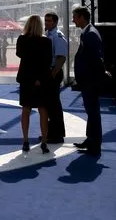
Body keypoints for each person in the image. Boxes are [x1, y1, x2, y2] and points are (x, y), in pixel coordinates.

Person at [72, 6, 106, 156]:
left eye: (75, 17)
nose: (73, 19)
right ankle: (90, 139)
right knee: (91, 112)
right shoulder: (87, 32)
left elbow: (96, 59)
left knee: (93, 113)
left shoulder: (90, 34)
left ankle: (95, 144)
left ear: (82, 18)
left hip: (90, 81)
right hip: (88, 80)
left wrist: (95, 79)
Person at [16, 14, 52, 154]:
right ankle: (44, 141)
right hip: (41, 80)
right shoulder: (46, 41)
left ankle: (25, 140)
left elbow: (20, 54)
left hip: (26, 79)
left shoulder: (22, 39)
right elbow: (48, 61)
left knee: (26, 109)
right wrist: (39, 78)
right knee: (43, 110)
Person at [43, 12, 68, 143]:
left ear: (55, 22)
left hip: (54, 72)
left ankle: (57, 134)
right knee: (49, 104)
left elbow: (61, 58)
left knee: (54, 105)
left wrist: (52, 75)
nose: (46, 23)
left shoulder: (58, 36)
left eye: (49, 21)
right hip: (49, 72)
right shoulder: (48, 35)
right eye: (45, 20)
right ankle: (50, 132)